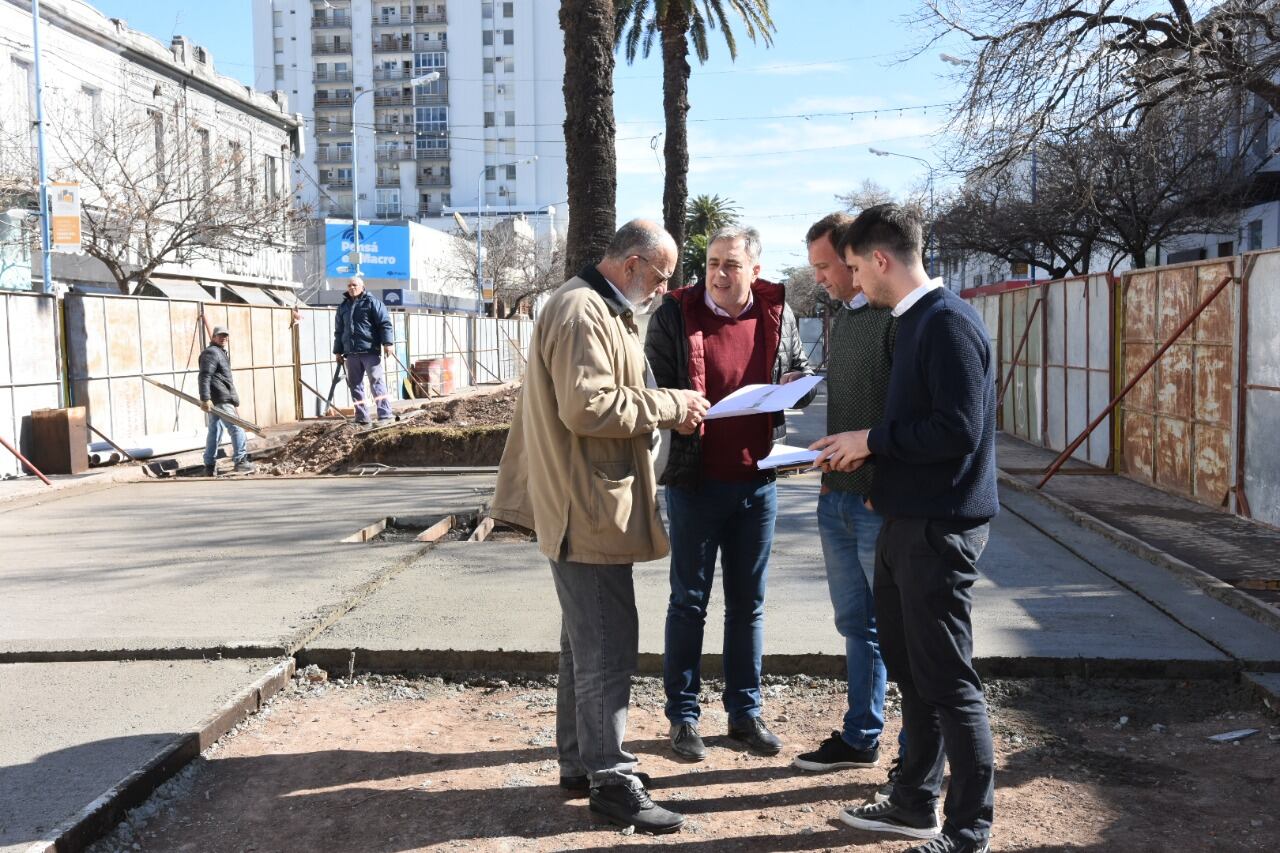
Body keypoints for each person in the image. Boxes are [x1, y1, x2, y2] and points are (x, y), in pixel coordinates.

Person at [490, 220, 709, 835]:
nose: (663, 290)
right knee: (609, 646)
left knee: (585, 644)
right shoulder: (584, 310)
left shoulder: (592, 305)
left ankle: (581, 764)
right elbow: (587, 407)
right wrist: (672, 403)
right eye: (660, 278)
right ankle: (612, 779)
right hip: (586, 509)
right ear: (633, 264)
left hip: (584, 503)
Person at [813, 204, 997, 853]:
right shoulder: (912, 322)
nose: (853, 279)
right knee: (915, 674)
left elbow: (957, 429)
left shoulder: (947, 324)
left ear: (882, 260)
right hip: (903, 520)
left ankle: (968, 829)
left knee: (948, 681)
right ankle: (913, 801)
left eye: (857, 266)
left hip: (939, 529)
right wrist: (875, 463)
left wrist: (872, 438)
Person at [645, 225, 815, 761]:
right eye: (713, 262)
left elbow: (799, 377)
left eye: (731, 265)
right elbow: (656, 384)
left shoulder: (777, 313)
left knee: (748, 606)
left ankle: (745, 713)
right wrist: (682, 406)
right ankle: (684, 718)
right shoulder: (675, 312)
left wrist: (795, 383)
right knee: (688, 603)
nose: (719, 273)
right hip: (696, 482)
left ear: (754, 271)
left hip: (757, 481)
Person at [792, 214, 904, 798]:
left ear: (856, 257)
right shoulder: (844, 317)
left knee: (899, 631)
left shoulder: (898, 319)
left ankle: (914, 761)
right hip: (835, 498)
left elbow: (908, 417)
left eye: (825, 266)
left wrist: (869, 460)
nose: (819, 279)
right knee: (856, 626)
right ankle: (861, 737)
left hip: (878, 504)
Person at [333, 276, 395, 426]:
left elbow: (385, 324)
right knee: (355, 385)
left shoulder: (373, 303)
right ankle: (362, 417)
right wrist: (337, 351)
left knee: (376, 382)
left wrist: (388, 343)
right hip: (351, 353)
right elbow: (339, 331)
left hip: (369, 351)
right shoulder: (343, 307)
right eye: (349, 285)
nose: (351, 288)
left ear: (362, 286)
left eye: (354, 285)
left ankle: (385, 414)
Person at [198, 325, 255, 476]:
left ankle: (209, 466)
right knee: (237, 427)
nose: (223, 338)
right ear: (214, 337)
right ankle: (241, 461)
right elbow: (204, 376)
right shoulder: (211, 353)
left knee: (215, 431)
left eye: (225, 336)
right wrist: (205, 398)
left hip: (218, 397)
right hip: (220, 397)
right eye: (220, 335)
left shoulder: (219, 352)